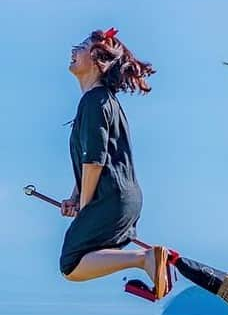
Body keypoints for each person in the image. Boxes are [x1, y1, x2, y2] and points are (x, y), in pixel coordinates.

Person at [59, 27, 171, 300]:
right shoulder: (101, 101)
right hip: (122, 199)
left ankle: (145, 259)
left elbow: (94, 161)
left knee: (71, 264)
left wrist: (85, 205)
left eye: (82, 47)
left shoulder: (95, 102)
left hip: (112, 199)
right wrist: (76, 197)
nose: (74, 51)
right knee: (82, 257)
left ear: (98, 60)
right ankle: (146, 260)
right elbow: (93, 157)